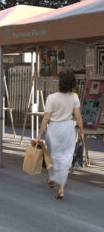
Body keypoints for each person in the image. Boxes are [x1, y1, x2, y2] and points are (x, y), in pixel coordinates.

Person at [34, 69, 85, 200]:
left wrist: (39, 135)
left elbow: (46, 118)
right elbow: (78, 117)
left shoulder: (51, 98)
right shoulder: (74, 97)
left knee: (52, 156)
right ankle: (61, 189)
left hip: (54, 129)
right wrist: (82, 132)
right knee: (65, 159)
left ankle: (51, 178)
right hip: (68, 128)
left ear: (60, 83)